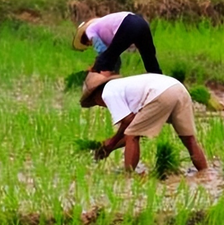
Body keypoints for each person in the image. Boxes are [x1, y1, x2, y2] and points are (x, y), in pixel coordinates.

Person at [79, 72, 208, 172]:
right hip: (179, 88)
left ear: (96, 96)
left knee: (131, 135)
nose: (101, 106)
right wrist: (108, 148)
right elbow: (134, 127)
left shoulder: (108, 93)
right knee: (189, 139)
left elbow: (128, 124)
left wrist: (111, 142)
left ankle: (128, 177)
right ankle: (205, 174)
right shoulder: (123, 87)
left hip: (161, 93)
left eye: (96, 103)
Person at [73, 12, 162, 75]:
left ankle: (98, 85)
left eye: (88, 43)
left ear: (86, 38)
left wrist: (93, 69)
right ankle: (160, 83)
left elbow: (102, 52)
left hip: (128, 24)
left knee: (103, 60)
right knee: (150, 60)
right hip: (141, 23)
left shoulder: (90, 30)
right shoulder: (103, 28)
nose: (90, 44)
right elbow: (114, 54)